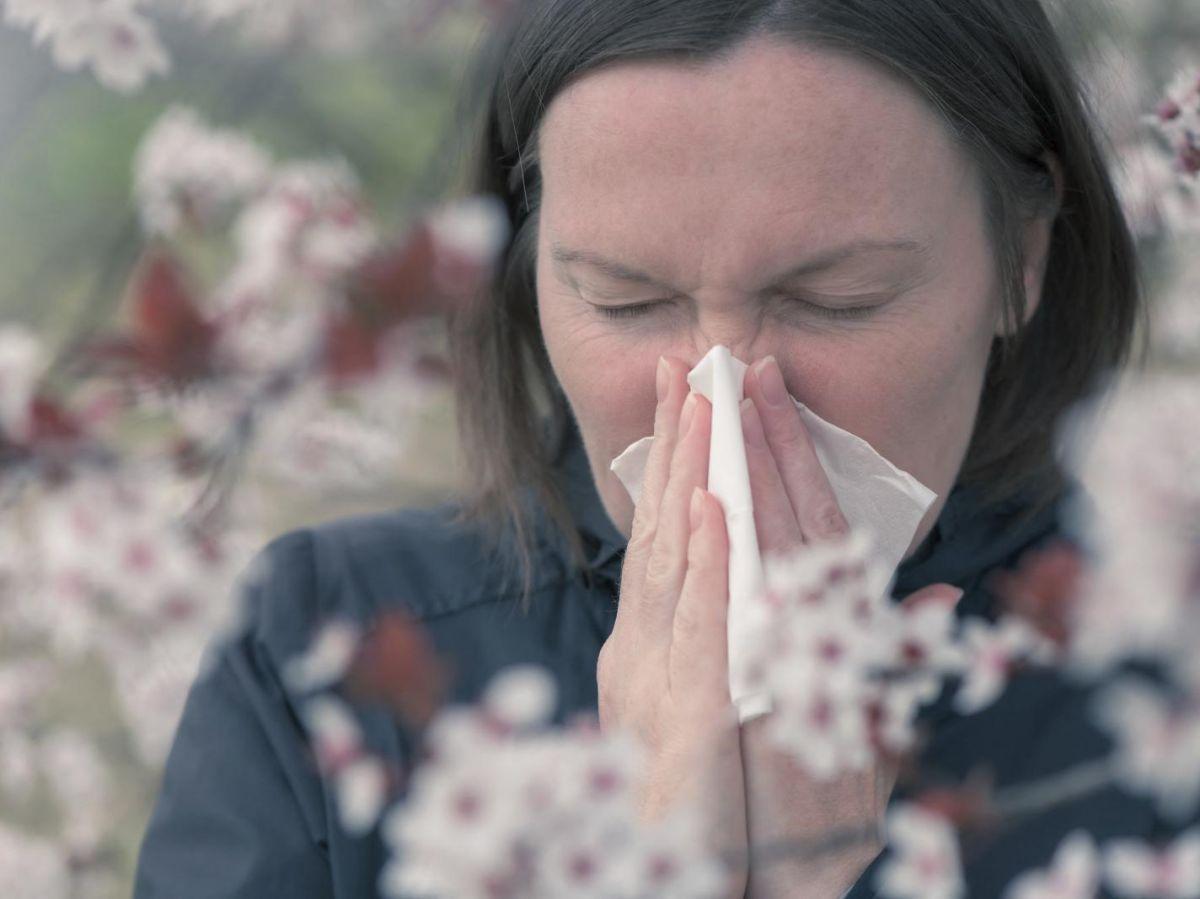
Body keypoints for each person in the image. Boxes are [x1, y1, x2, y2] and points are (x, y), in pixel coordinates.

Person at [133, 1, 1151, 897]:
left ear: (1023, 256)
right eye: (626, 300)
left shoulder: (1162, 672)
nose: (721, 392)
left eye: (839, 300)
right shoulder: (323, 651)